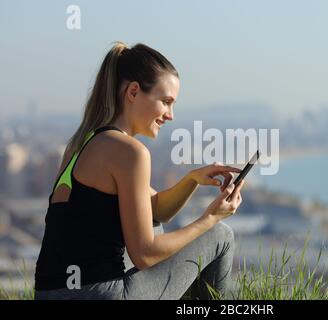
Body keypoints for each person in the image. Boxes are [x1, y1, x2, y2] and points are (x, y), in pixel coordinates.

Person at [34, 42, 245, 300]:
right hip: (101, 294)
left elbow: (155, 209)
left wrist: (192, 179)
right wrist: (210, 219)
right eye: (166, 102)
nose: (170, 115)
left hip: (50, 295)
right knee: (220, 235)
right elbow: (145, 254)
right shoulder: (131, 152)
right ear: (133, 92)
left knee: (151, 222)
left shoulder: (82, 144)